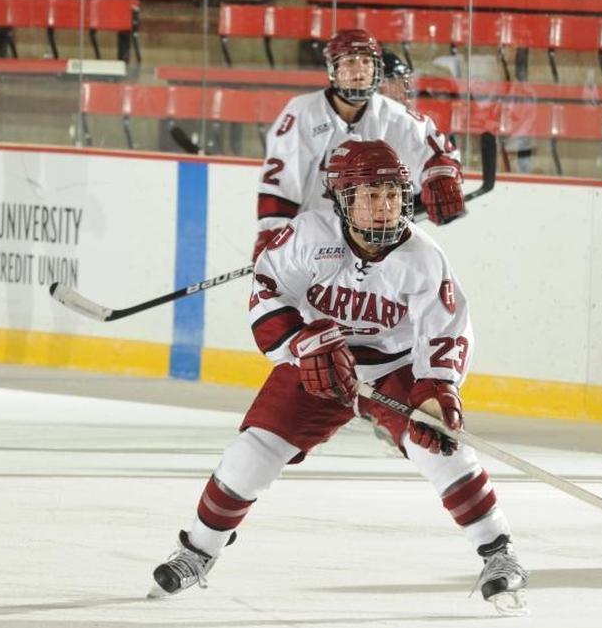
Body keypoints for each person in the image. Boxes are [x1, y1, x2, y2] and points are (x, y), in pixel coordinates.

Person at [150, 139, 529, 616]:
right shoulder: (309, 235)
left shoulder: (423, 258)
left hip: (393, 369)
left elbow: (446, 333)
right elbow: (267, 289)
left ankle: (500, 554)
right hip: (315, 361)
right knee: (250, 455)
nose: (384, 206)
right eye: (371, 195)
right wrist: (301, 344)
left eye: (393, 194)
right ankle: (196, 552)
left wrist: (436, 393)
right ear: (344, 199)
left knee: (441, 451)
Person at [252, 28, 466, 262]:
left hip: (376, 241)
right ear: (333, 69)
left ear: (377, 68)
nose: (359, 69)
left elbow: (438, 152)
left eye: (367, 61)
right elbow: (280, 185)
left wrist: (441, 179)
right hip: (316, 240)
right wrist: (274, 233)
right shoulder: (303, 113)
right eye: (350, 61)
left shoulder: (396, 116)